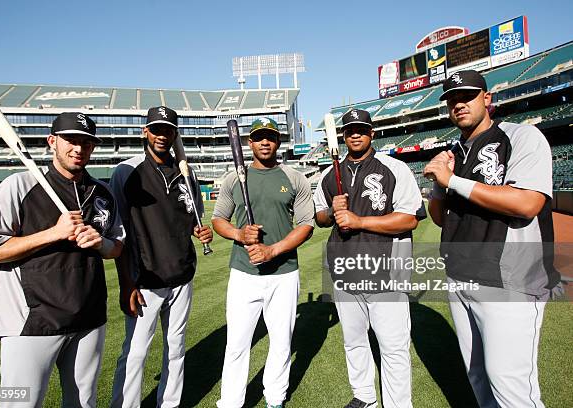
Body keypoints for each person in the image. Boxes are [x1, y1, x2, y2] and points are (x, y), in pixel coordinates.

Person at [424, 70, 560, 408]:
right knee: (479, 377)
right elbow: (440, 218)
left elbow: (528, 203)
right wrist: (441, 184)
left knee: (511, 388)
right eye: (452, 99)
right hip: (460, 276)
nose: (459, 103)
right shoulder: (454, 151)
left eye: (467, 96)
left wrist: (452, 180)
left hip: (508, 279)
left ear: (487, 99)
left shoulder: (521, 137)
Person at [0, 112, 125, 407]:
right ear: (52, 142)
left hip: (89, 317)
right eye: (71, 140)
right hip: (32, 321)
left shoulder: (102, 192)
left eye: (86, 142)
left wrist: (100, 243)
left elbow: (117, 247)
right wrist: (53, 233)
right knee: (20, 402)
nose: (79, 149)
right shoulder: (18, 187)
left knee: (84, 402)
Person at [314, 109, 424, 408]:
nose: (355, 134)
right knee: (354, 341)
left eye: (361, 129)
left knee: (393, 347)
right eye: (349, 130)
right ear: (343, 135)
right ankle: (364, 396)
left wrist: (359, 221)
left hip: (386, 272)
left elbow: (409, 219)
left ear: (371, 133)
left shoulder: (395, 168)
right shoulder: (328, 176)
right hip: (345, 271)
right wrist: (331, 211)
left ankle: (398, 404)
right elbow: (320, 218)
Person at [109, 106, 213, 408]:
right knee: (136, 352)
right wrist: (126, 282)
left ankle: (169, 404)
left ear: (174, 134)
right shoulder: (126, 172)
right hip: (145, 279)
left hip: (181, 274)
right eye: (156, 129)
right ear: (145, 132)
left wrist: (200, 232)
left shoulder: (185, 172)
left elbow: (192, 219)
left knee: (176, 348)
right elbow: (119, 231)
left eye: (168, 130)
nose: (161, 135)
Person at [212, 117, 314, 408]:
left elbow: (306, 225)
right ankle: (231, 402)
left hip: (283, 273)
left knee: (281, 342)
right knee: (237, 344)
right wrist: (240, 234)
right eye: (259, 138)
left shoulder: (295, 178)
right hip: (244, 273)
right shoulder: (234, 178)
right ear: (249, 143)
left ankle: (275, 398)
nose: (265, 142)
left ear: (278, 141)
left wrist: (273, 251)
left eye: (270, 137)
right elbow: (219, 219)